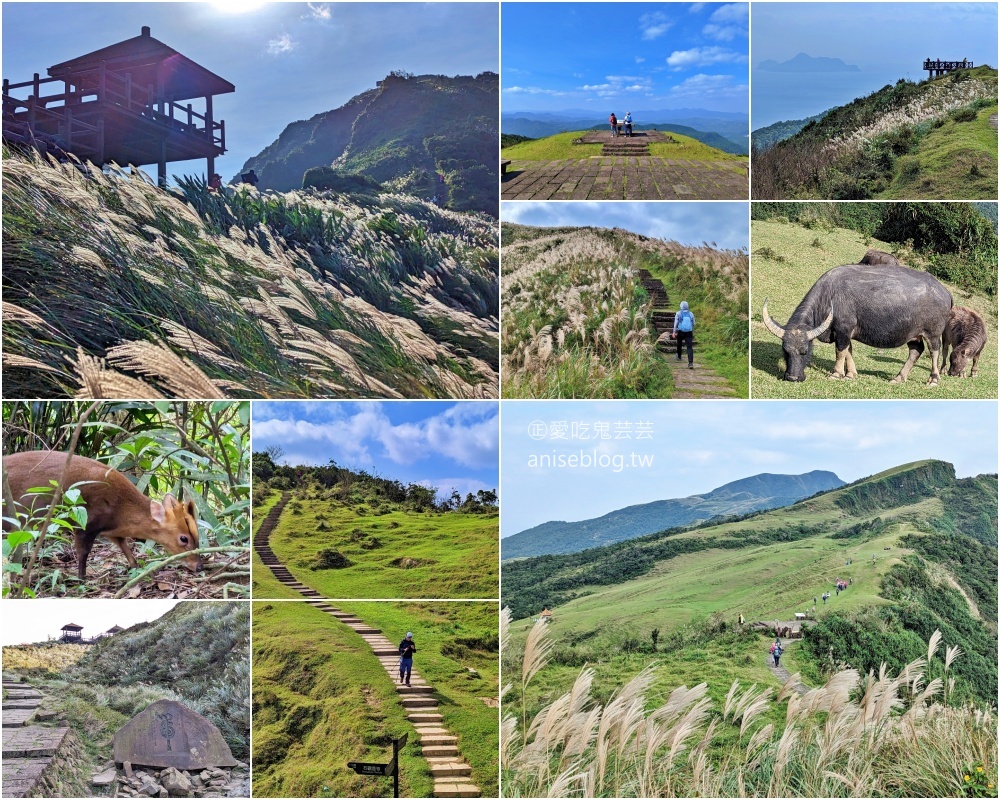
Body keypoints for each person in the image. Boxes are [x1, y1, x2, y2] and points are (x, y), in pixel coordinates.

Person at [673, 301, 695, 369]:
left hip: (681, 331)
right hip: (689, 332)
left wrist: (674, 332)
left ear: (681, 306)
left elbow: (676, 323)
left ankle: (679, 355)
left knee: (679, 343)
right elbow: (694, 323)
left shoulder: (678, 313)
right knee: (689, 347)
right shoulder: (691, 314)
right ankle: (690, 363)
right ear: (687, 306)